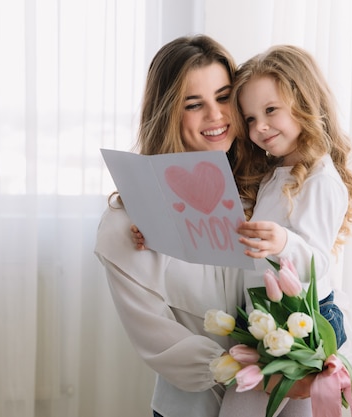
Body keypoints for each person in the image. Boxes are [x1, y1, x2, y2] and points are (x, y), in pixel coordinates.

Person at [94, 35, 258, 417]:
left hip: (274, 402)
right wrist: (252, 372)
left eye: (223, 97)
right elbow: (156, 336)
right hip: (189, 408)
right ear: (169, 111)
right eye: (193, 104)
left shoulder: (263, 194)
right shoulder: (128, 222)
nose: (216, 116)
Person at [216, 44, 352, 417]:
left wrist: (284, 241)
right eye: (249, 119)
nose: (259, 127)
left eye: (270, 111)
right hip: (272, 316)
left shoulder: (320, 180)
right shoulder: (276, 172)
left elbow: (317, 263)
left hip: (302, 318)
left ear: (304, 103)